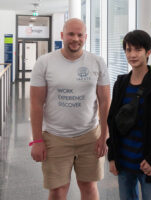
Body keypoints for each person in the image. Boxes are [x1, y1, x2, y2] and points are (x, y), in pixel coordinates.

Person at [30, 18, 110, 200]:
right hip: (55, 137)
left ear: (86, 37)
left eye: (80, 35)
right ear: (62, 36)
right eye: (71, 34)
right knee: (58, 190)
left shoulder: (97, 62)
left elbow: (105, 101)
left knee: (89, 186)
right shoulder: (44, 63)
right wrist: (37, 141)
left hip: (90, 135)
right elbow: (36, 104)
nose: (75, 38)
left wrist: (104, 136)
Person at [107, 30, 151, 200]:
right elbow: (112, 121)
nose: (132, 54)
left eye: (138, 50)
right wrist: (112, 156)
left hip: (147, 162)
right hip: (124, 160)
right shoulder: (121, 83)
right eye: (128, 50)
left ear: (148, 52)